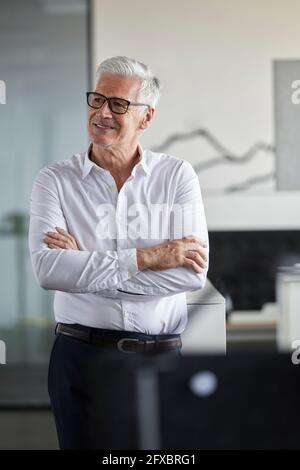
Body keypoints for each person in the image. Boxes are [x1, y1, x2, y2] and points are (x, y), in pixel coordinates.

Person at [28, 56, 209, 449]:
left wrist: (84, 267)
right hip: (81, 358)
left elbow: (191, 275)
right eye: (97, 99)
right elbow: (48, 271)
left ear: (146, 118)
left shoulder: (177, 176)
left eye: (118, 104)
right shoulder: (54, 181)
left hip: (161, 359)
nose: (102, 112)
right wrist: (149, 257)